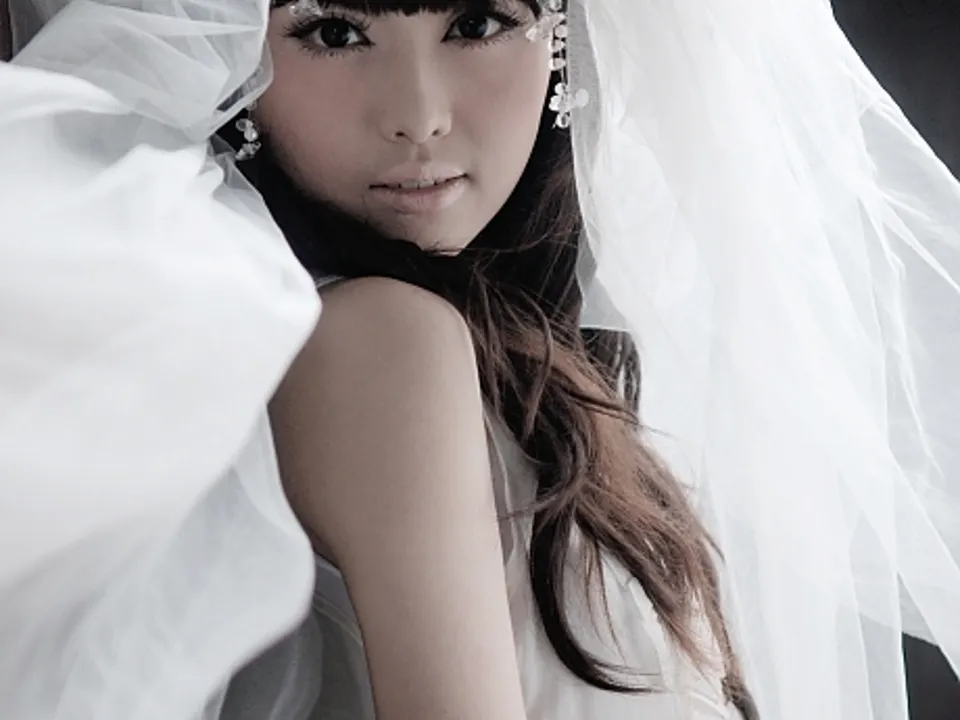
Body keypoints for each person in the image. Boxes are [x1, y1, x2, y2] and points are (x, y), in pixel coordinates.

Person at [1, 2, 959, 720]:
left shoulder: (494, 350)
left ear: (559, 38)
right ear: (237, 56)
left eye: (477, 22)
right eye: (334, 31)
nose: (418, 114)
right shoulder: (383, 345)